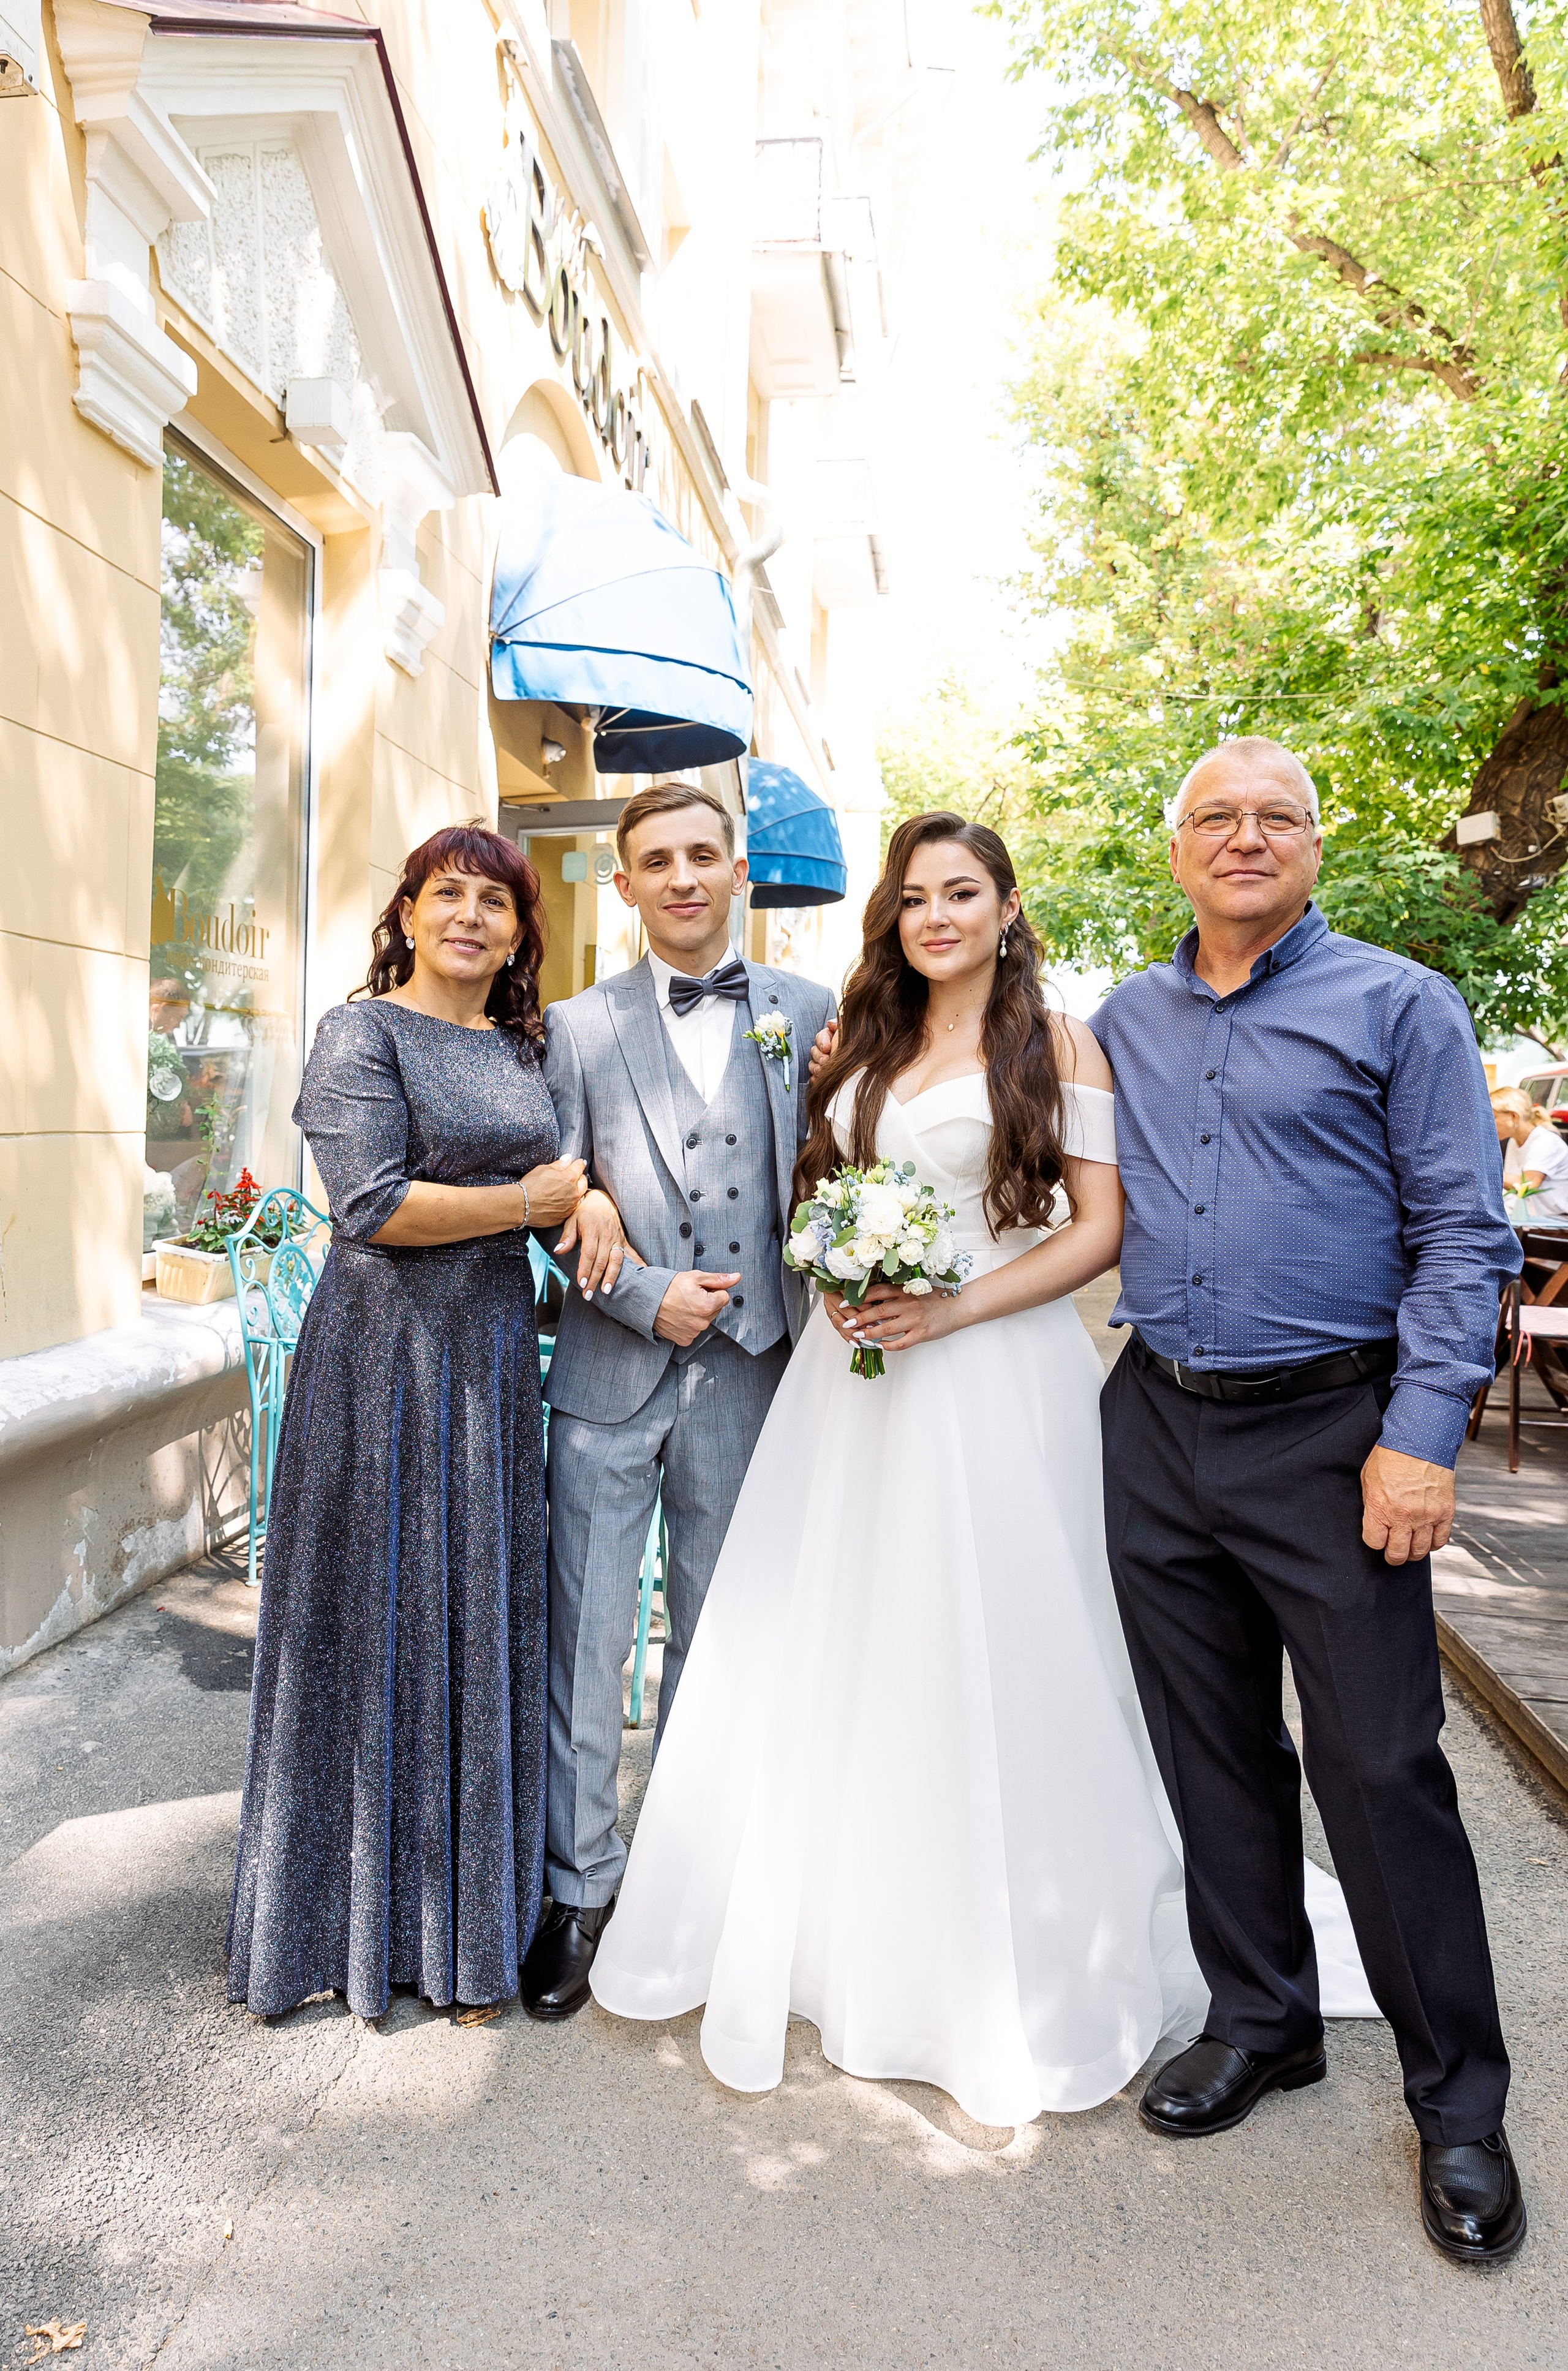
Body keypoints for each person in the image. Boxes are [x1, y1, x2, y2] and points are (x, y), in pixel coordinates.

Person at [589, 812, 1375, 2123]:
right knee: (844, 1642)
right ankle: (843, 1922)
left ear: (1008, 906)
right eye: (913, 897)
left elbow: (1100, 1228)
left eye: (963, 892)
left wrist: (952, 1306)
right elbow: (808, 1190)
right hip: (848, 1392)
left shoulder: (1056, 1045)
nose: (936, 915)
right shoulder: (860, 1040)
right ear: (891, 919)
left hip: (992, 1376)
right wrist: (837, 1263)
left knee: (1006, 1644)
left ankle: (1042, 1943)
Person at [1088, 739, 1526, 2265]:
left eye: (1277, 815)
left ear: (1314, 845)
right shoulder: (1119, 1021)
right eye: (1214, 814)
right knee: (1207, 1750)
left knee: (1379, 1766)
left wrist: (1418, 1437)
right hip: (1155, 1422)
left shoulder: (1396, 1004)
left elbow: (1462, 1238)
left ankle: (1458, 2106)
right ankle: (1262, 2020)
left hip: (1332, 1433)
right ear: (1174, 847)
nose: (1244, 836)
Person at [227, 824, 625, 2022]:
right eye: (445, 894)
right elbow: (369, 1202)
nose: (469, 917)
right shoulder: (358, 1033)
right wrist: (534, 1198)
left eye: (493, 903)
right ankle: (343, 1930)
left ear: (518, 931)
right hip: (380, 1365)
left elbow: (572, 1168)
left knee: (473, 1620)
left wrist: (584, 1199)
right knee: (370, 1624)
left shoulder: (522, 1045)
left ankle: (462, 1941)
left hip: (492, 1360)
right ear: (406, 913)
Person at [519, 781, 835, 2021]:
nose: (683, 876)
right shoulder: (575, 1029)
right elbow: (540, 1199)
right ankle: (578, 1889)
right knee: (584, 1640)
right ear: (626, 884)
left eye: (702, 854)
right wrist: (637, 1283)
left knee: (717, 1641)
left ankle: (694, 1881)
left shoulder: (810, 1016)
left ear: (738, 869)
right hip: (608, 1372)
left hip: (756, 1369)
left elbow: (854, 1159)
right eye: (656, 860)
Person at [1491, 1084, 1568, 1224]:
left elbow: (1526, 1185)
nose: (1489, 1123)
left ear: (1513, 1116)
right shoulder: (1514, 1142)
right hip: (1528, 1219)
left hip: (1555, 1223)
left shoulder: (1546, 1141)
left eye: (1493, 1117)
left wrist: (1485, 1171)